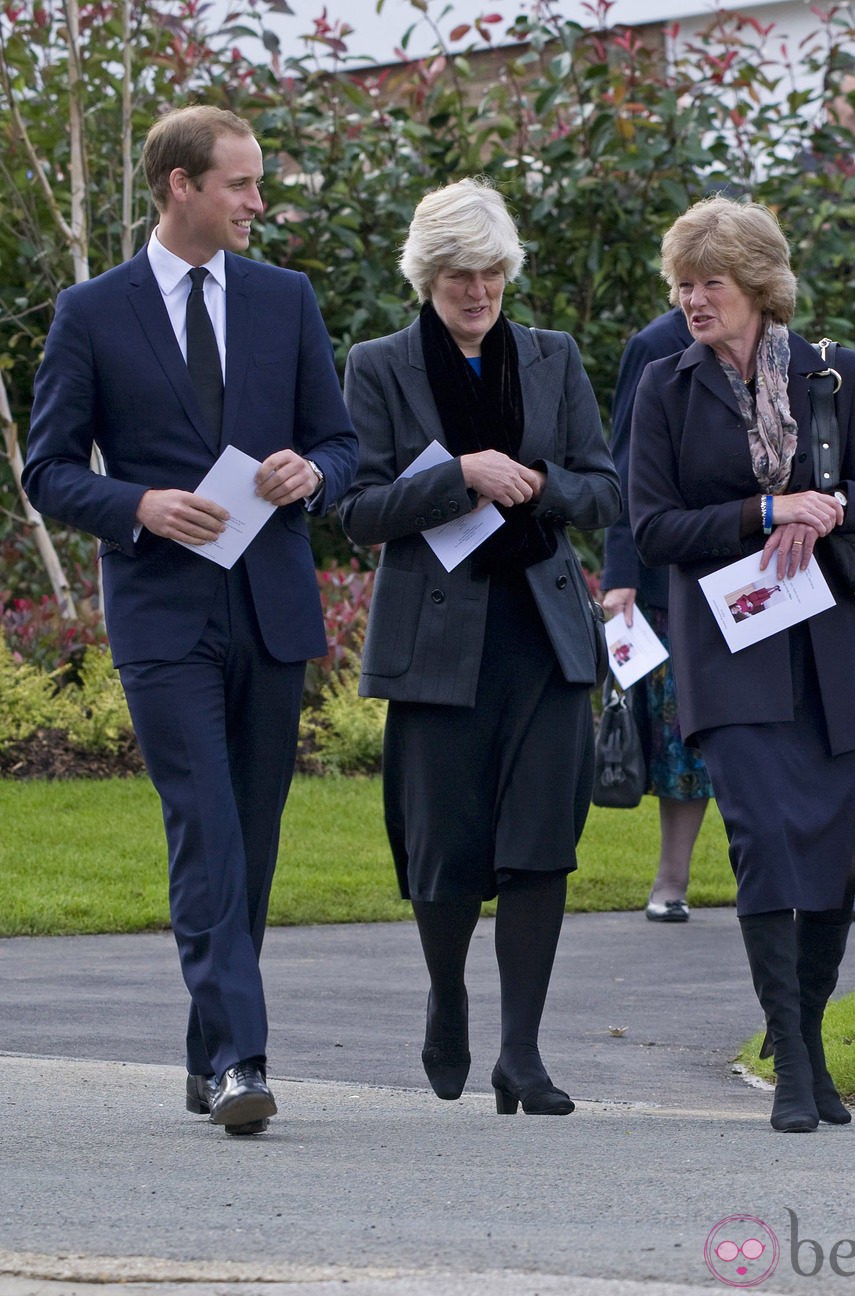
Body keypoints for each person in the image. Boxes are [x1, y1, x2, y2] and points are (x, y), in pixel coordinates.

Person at [22, 105, 358, 1135]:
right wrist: (138, 506)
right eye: (243, 185)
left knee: (248, 845)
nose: (260, 202)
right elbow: (46, 471)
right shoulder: (91, 312)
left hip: (268, 607)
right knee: (204, 825)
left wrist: (313, 471)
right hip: (162, 615)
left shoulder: (284, 298)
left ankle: (207, 1049)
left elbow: (339, 445)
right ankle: (242, 1064)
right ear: (182, 186)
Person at [340, 178, 620, 1116]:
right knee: (444, 850)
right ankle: (448, 997)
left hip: (544, 636)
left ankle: (523, 1055)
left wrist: (537, 483)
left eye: (493, 272)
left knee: (542, 845)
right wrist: (458, 476)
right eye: (459, 273)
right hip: (436, 641)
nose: (478, 291)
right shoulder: (379, 365)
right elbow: (355, 511)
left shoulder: (553, 357)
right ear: (427, 276)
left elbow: (605, 488)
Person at [629, 194, 855, 1132]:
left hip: (825, 641)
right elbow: (653, 525)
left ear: (758, 286)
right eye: (683, 284)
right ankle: (789, 1061)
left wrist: (828, 508)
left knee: (835, 850)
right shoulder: (665, 387)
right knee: (761, 842)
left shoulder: (833, 375)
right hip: (727, 642)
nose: (694, 299)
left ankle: (811, 1040)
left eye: (710, 282)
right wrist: (764, 512)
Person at [601, 306, 713, 924]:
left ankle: (836, 878)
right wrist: (620, 575)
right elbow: (625, 461)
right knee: (680, 736)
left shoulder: (785, 347)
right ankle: (672, 880)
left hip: (761, 570)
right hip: (669, 574)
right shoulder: (655, 345)